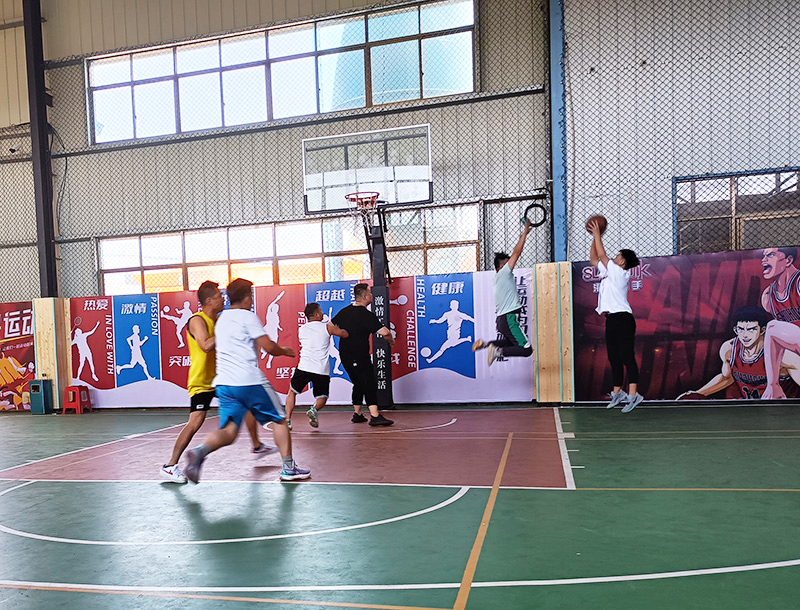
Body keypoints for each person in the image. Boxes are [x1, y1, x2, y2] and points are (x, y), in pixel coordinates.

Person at [183, 278, 309, 484]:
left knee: (229, 431)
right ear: (247, 298)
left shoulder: (221, 320)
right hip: (249, 381)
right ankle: (288, 468)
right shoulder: (248, 316)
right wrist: (285, 351)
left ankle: (200, 451)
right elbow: (269, 347)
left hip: (224, 384)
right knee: (280, 419)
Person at [160, 281, 274, 484]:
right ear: (208, 301)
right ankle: (170, 466)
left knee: (246, 404)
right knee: (196, 421)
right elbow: (205, 345)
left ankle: (257, 446)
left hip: (222, 378)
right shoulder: (197, 320)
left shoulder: (222, 319)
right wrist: (226, 331)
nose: (223, 299)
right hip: (201, 382)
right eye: (219, 296)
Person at [677, 306, 800, 400]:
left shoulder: (782, 355)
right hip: (751, 412)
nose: (745, 335)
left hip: (782, 413)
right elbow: (727, 378)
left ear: (762, 330)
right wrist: (697, 393)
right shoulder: (729, 349)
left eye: (751, 329)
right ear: (735, 329)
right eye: (741, 329)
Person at [587, 218, 643, 413]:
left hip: (623, 319)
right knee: (614, 357)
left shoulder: (620, 273)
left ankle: (634, 396)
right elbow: (594, 259)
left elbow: (602, 256)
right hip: (611, 319)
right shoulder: (610, 272)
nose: (614, 257)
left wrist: (597, 234)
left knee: (627, 356)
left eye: (618, 256)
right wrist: (595, 238)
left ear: (622, 261)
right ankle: (618, 393)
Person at [332, 283, 396, 427]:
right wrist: (392, 341)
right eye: (370, 293)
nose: (372, 295)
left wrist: (342, 333)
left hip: (345, 355)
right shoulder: (366, 315)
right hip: (359, 355)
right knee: (369, 382)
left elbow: (330, 326)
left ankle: (358, 414)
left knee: (358, 383)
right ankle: (375, 416)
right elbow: (385, 332)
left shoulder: (344, 311)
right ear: (365, 296)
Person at [472, 219, 534, 365]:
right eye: (508, 262)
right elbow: (517, 252)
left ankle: (487, 344)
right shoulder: (504, 272)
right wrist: (525, 233)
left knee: (509, 342)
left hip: (502, 320)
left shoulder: (497, 278)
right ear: (502, 266)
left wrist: (524, 233)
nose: (511, 264)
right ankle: (497, 351)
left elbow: (515, 253)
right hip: (508, 318)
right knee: (526, 349)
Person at [284, 302, 349, 429]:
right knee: (322, 398)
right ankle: (313, 409)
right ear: (316, 314)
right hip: (321, 369)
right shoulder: (327, 328)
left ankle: (287, 420)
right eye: (320, 311)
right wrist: (338, 328)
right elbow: (344, 334)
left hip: (304, 367)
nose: (322, 313)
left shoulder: (302, 329)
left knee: (292, 392)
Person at [758, 247, 800, 399]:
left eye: (770, 255)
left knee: (772, 327)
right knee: (784, 356)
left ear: (788, 260)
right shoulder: (768, 297)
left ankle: (773, 386)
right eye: (763, 256)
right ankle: (774, 389)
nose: (763, 260)